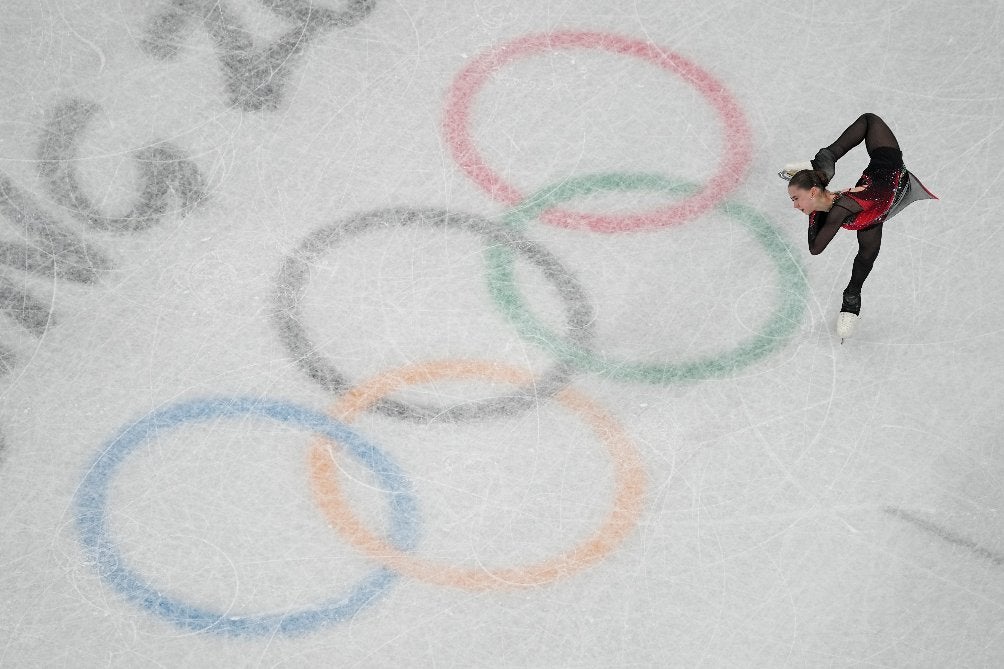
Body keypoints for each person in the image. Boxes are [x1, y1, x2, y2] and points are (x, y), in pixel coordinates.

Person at [779, 113, 937, 340]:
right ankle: (852, 297)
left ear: (813, 192)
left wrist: (813, 211)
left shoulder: (840, 209)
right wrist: (814, 207)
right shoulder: (837, 204)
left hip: (889, 173)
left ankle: (825, 161)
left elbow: (816, 247)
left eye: (796, 198)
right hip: (876, 198)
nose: (795, 206)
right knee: (867, 253)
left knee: (870, 121)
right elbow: (817, 241)